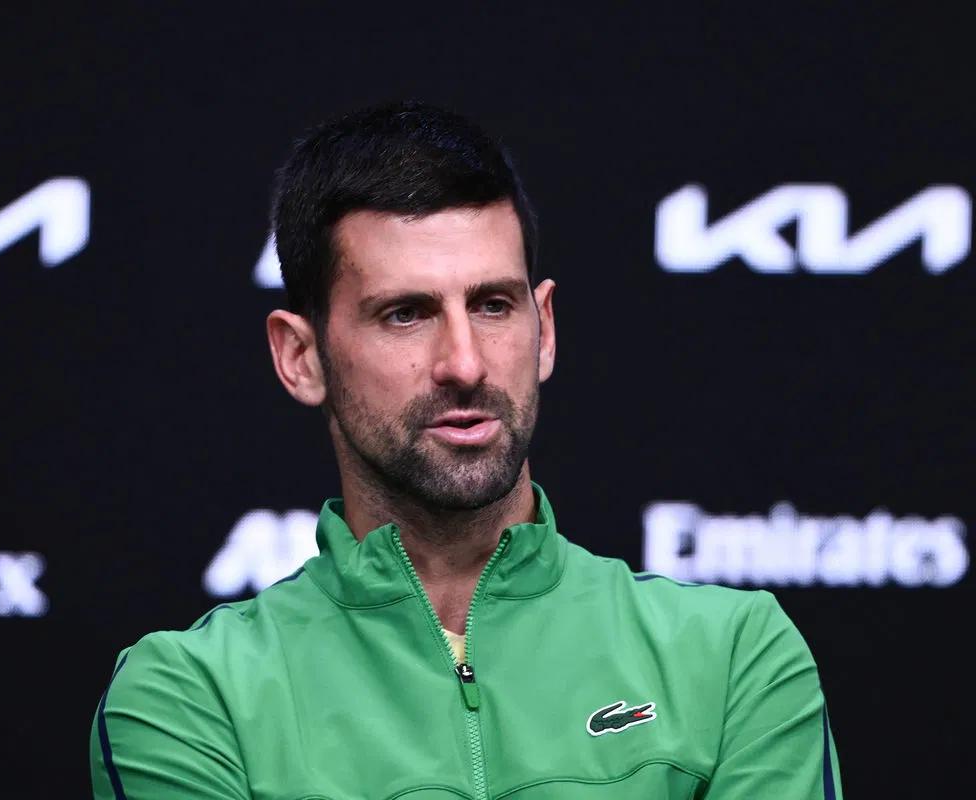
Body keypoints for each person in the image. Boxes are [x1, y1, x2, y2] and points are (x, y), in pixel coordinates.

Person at [90, 101, 843, 799]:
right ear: (301, 357)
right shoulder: (192, 696)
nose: (465, 363)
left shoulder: (732, 656)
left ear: (544, 330)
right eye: (405, 314)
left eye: (492, 305)